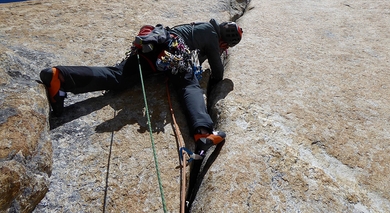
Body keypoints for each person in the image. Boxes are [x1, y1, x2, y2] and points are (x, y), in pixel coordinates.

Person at [40, 19, 243, 153]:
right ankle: (203, 132)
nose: (222, 48)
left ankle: (60, 76)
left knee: (118, 77)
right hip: (174, 52)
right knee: (190, 85)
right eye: (224, 45)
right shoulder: (208, 31)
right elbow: (217, 70)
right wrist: (217, 82)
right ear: (225, 39)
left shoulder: (195, 29)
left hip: (152, 51)